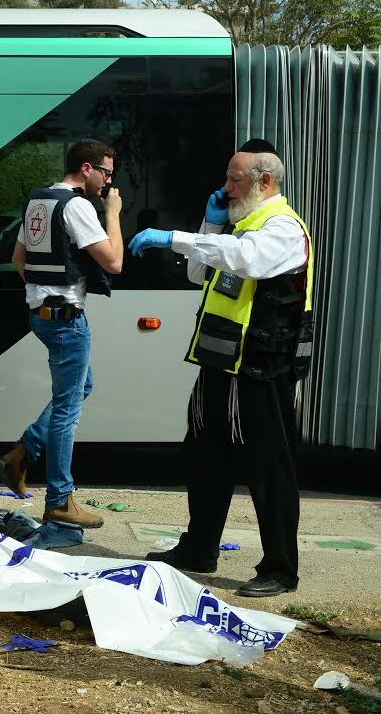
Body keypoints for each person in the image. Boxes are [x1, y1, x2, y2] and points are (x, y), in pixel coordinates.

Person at [129, 139, 312, 598]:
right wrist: (209, 224)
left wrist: (172, 236)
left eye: (234, 179)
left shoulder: (281, 229)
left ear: (263, 181)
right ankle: (199, 548)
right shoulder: (238, 226)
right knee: (205, 455)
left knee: (269, 467)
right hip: (220, 363)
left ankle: (279, 569)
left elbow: (246, 261)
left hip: (261, 368)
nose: (225, 187)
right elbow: (198, 274)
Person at [0, 140, 123, 528]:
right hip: (67, 319)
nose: (107, 182)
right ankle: (60, 499)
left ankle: (23, 452)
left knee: (81, 387)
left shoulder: (40, 201)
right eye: (106, 173)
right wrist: (113, 214)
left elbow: (19, 259)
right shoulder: (79, 206)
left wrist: (40, 295)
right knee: (67, 408)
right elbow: (114, 262)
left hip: (41, 313)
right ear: (87, 169)